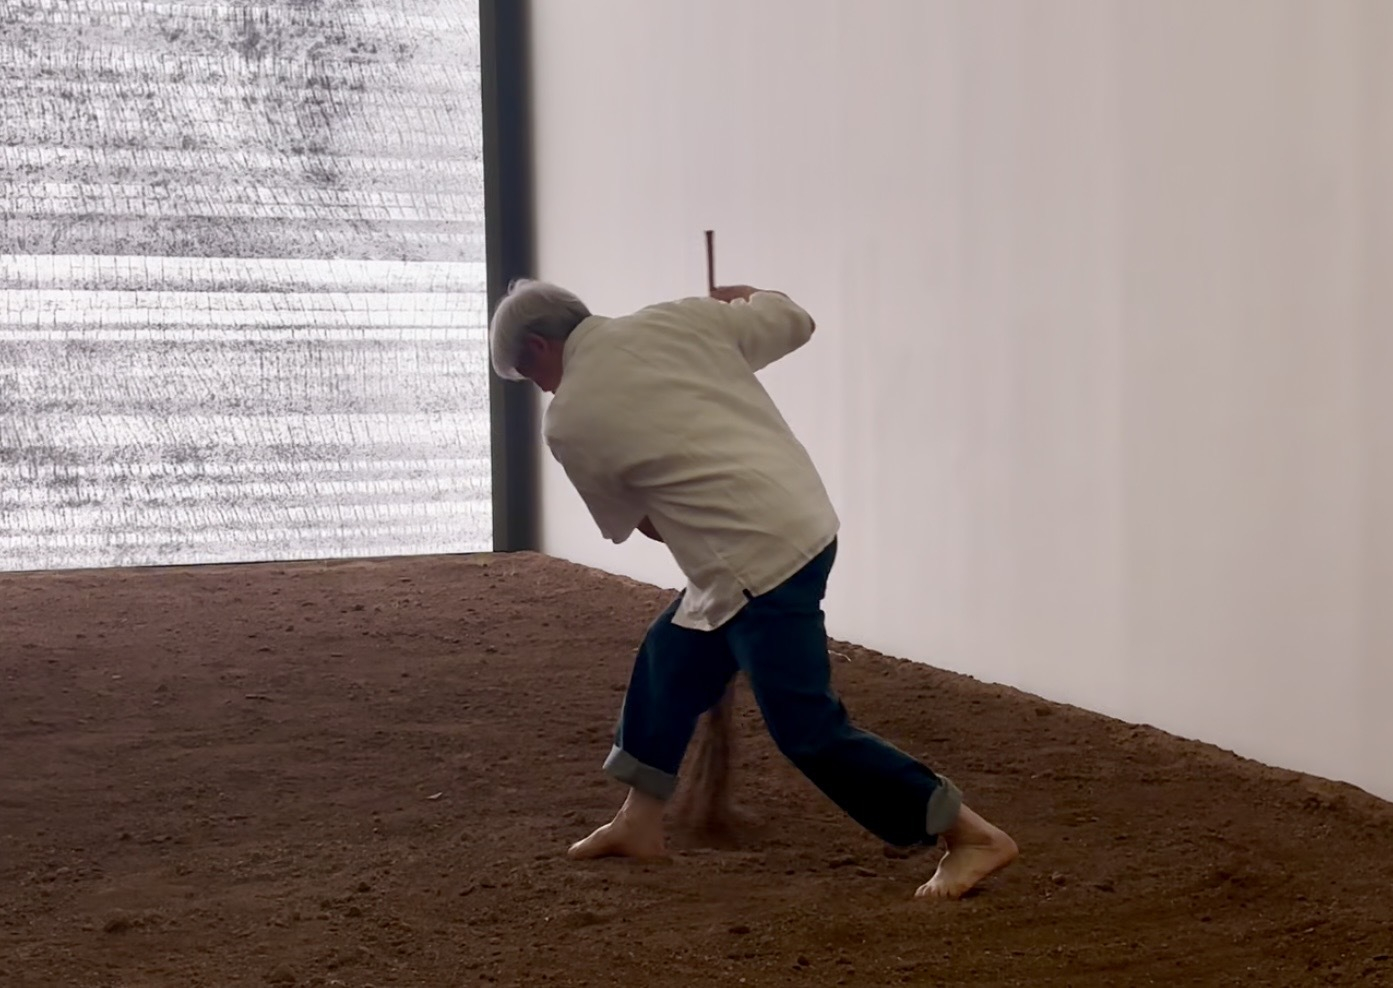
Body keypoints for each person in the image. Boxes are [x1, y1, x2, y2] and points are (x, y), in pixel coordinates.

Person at [487, 277, 1018, 900]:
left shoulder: (571, 418)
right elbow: (793, 321)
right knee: (669, 656)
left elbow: (646, 526)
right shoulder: (680, 318)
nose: (540, 388)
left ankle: (969, 834)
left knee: (807, 728)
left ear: (541, 346)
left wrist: (682, 495)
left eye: (529, 374)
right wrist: (748, 294)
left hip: (756, 565)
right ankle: (640, 821)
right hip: (803, 523)